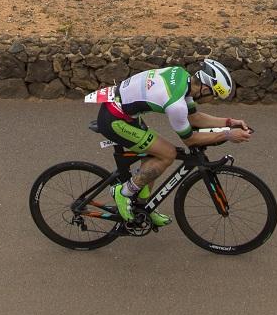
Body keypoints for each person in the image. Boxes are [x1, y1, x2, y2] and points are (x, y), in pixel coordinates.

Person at [95, 58, 252, 226]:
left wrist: (228, 122)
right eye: (213, 96)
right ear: (205, 89)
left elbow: (194, 118)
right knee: (167, 154)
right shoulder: (176, 104)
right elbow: (190, 140)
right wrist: (227, 135)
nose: (212, 101)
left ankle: (142, 207)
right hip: (114, 120)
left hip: (123, 111)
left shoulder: (183, 79)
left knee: (153, 157)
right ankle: (123, 192)